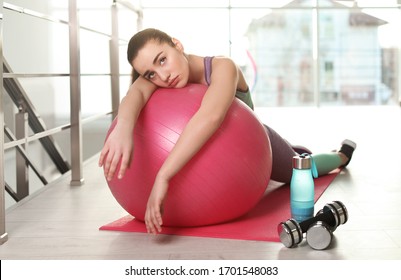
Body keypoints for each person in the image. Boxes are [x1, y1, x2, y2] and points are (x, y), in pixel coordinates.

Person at [98, 28, 356, 235]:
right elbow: (136, 93)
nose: (162, 76)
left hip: (255, 146)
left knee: (300, 169)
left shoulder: (223, 67)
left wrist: (163, 176)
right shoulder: (157, 78)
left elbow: (209, 117)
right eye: (151, 73)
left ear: (177, 44)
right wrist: (123, 127)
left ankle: (340, 156)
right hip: (222, 163)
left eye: (162, 59)